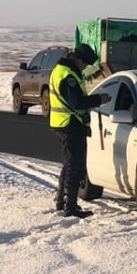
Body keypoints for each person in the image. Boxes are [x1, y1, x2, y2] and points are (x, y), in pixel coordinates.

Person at [49, 44, 110, 218]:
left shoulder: (60, 70)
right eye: (85, 64)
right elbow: (77, 102)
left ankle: (62, 201)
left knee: (68, 165)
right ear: (78, 60)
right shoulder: (68, 75)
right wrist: (100, 99)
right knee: (75, 168)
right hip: (71, 125)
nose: (85, 68)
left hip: (63, 124)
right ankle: (70, 207)